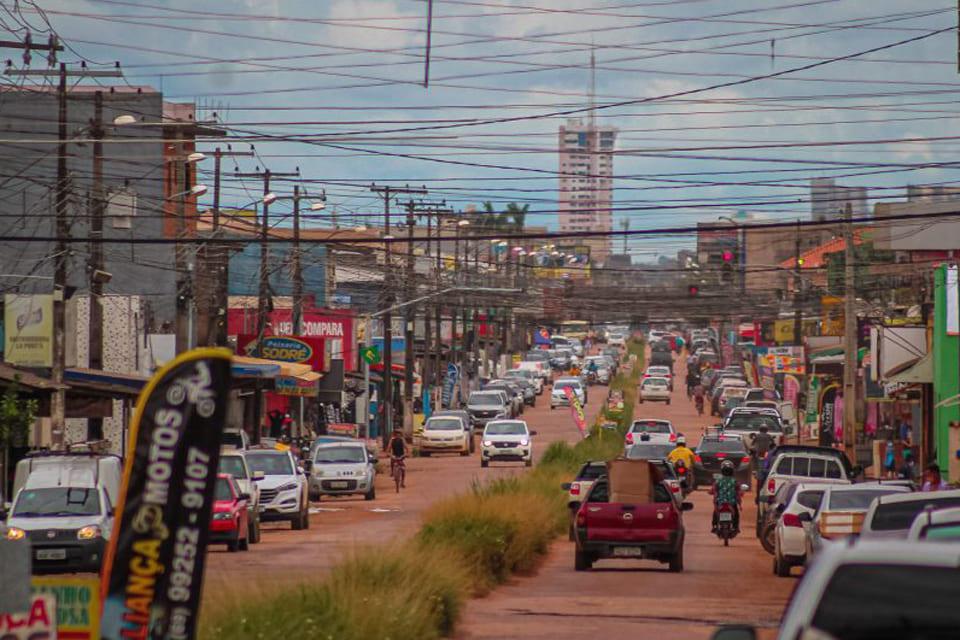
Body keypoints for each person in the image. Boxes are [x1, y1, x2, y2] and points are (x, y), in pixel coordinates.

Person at [711, 460, 743, 533]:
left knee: (715, 512)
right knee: (736, 514)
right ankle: (735, 527)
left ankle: (714, 526)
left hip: (720, 502)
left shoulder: (718, 481)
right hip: (732, 502)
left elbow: (713, 490)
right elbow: (739, 492)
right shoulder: (734, 481)